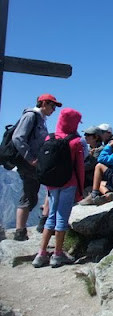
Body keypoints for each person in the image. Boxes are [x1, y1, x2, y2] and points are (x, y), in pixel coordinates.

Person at [32, 108, 84, 268]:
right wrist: (80, 190)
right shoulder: (76, 141)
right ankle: (57, 254)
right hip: (69, 183)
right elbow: (80, 168)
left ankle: (41, 254)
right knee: (62, 218)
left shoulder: (49, 137)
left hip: (51, 184)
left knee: (51, 217)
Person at [11, 93, 60, 241]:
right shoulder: (31, 116)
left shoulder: (40, 119)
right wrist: (31, 158)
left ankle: (25, 229)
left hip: (34, 164)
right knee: (28, 194)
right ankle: (20, 232)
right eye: (52, 106)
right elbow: (18, 137)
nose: (54, 109)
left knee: (32, 194)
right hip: (28, 164)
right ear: (43, 103)